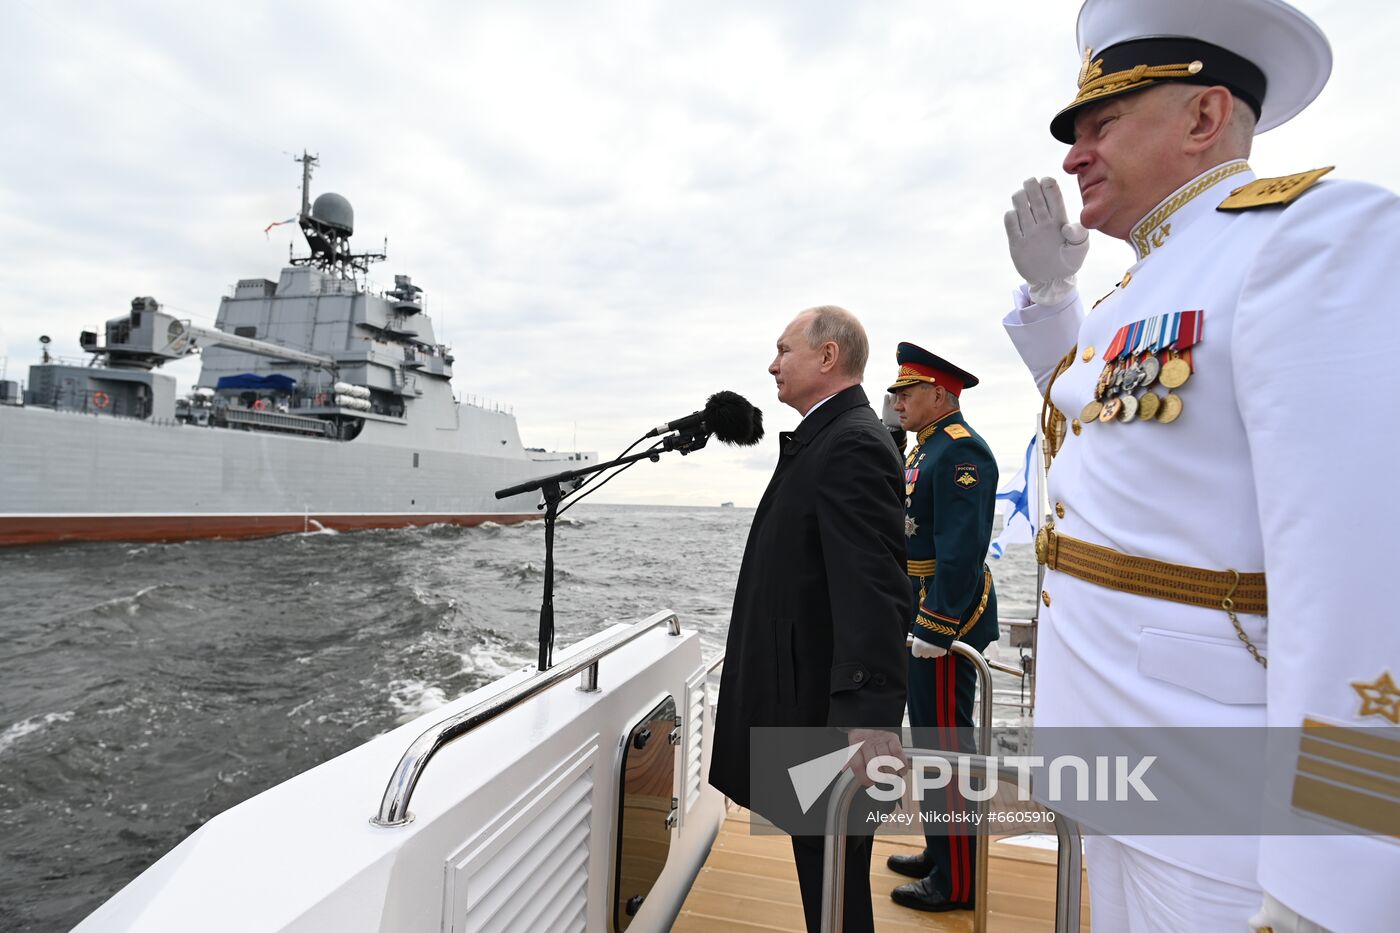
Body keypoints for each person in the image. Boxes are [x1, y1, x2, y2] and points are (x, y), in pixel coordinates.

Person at [999, 0, 1400, 929]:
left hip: (1233, 810)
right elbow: (1087, 401)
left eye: (1101, 124)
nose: (1072, 154)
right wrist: (1053, 291)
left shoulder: (1309, 235)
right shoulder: (1153, 275)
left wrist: (1332, 877)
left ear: (1205, 118)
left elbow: (1361, 577)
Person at [709, 304, 910, 933]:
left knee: (834, 885)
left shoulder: (849, 443)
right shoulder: (827, 437)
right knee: (824, 879)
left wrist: (867, 724)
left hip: (828, 720)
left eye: (783, 350)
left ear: (827, 356)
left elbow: (876, 594)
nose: (772, 365)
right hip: (806, 704)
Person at [882, 343, 999, 913]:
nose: (898, 400)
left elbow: (961, 551)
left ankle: (957, 883)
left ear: (941, 394)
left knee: (947, 745)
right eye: (897, 392)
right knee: (929, 739)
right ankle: (942, 853)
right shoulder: (927, 450)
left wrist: (937, 623)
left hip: (945, 615)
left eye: (908, 391)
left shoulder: (960, 452)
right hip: (920, 605)